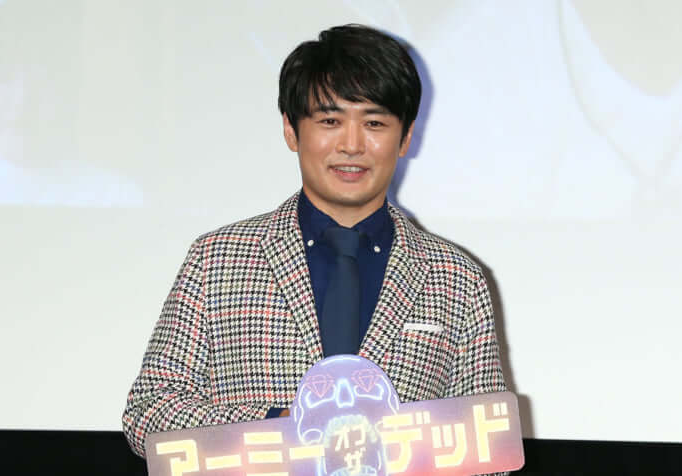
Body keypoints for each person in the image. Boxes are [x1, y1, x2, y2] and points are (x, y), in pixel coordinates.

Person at [122, 24, 506, 459]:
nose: (352, 145)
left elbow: (490, 448)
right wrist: (281, 427)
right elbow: (148, 414)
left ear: (405, 137)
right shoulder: (216, 260)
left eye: (374, 123)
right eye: (329, 121)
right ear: (291, 130)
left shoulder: (456, 277)